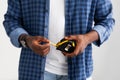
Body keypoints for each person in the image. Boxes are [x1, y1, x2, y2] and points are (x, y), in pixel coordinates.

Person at [3, 0, 114, 80]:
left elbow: (107, 21)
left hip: (80, 71)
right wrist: (27, 40)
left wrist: (86, 39)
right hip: (33, 70)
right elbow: (11, 20)